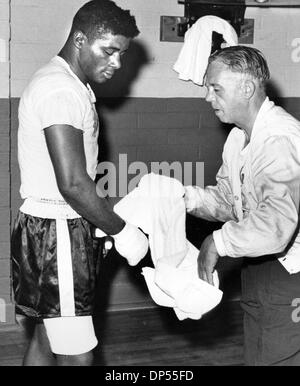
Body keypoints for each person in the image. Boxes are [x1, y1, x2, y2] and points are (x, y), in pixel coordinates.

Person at [11, 0, 149, 366]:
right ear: (80, 39)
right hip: (57, 234)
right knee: (78, 355)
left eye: (121, 53)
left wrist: (95, 221)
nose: (117, 63)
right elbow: (72, 183)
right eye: (109, 51)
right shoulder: (61, 90)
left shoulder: (64, 82)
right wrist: (122, 231)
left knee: (45, 339)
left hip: (48, 229)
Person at [184, 46, 300, 366]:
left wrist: (217, 242)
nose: (208, 97)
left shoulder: (280, 139)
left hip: (292, 272)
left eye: (216, 88)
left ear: (246, 88)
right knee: (257, 357)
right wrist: (185, 198)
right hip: (258, 264)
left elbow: (276, 225)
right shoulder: (238, 138)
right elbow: (228, 201)